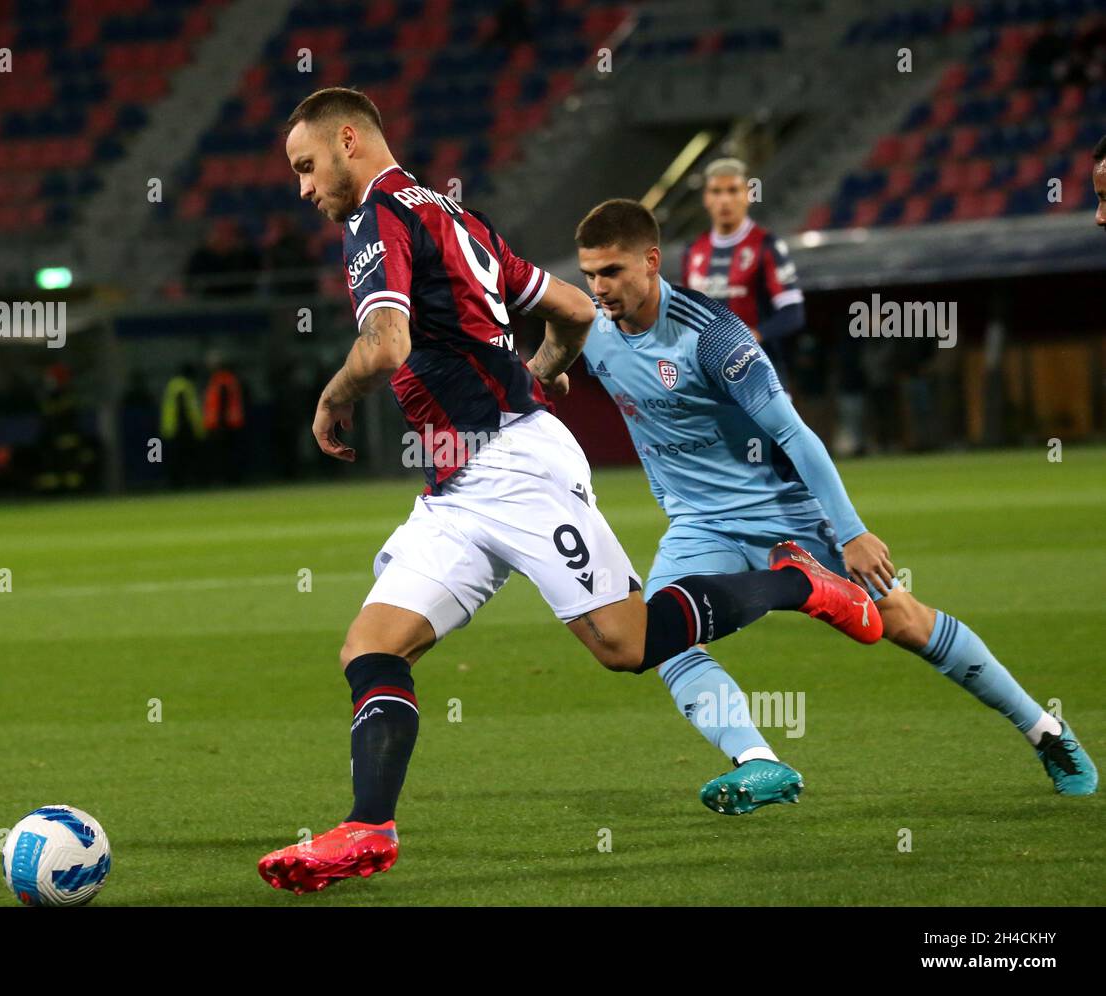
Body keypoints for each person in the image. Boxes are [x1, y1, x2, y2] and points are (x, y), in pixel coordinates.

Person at [256, 88, 882, 894]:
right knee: (371, 646)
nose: (304, 188)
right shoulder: (456, 216)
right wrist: (540, 374)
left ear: (350, 140)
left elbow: (385, 344)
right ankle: (367, 829)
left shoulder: (378, 216)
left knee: (626, 644)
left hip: (516, 468)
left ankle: (800, 582)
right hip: (456, 484)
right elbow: (576, 308)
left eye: (307, 166)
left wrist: (334, 394)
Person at [574, 198, 1097, 813]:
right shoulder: (590, 330)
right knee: (657, 639)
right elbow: (559, 365)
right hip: (698, 523)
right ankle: (759, 762)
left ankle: (1047, 732)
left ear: (651, 261)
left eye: (611, 271)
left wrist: (850, 531)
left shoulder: (713, 336)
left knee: (903, 621)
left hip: (784, 513)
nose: (599, 287)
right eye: (589, 274)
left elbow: (796, 434)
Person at [682, 158, 803, 382]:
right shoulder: (693, 251)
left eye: (733, 190)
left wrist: (751, 336)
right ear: (706, 199)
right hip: (710, 381)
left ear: (748, 194)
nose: (725, 200)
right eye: (716, 192)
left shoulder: (766, 245)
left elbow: (793, 313)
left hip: (762, 378)